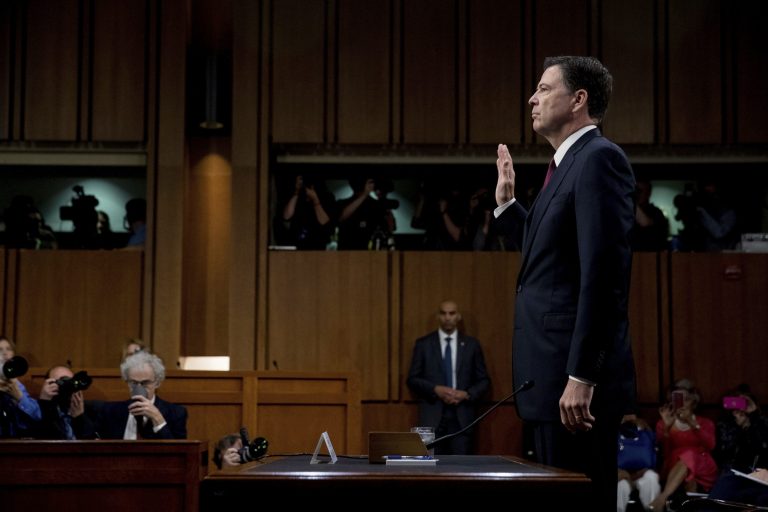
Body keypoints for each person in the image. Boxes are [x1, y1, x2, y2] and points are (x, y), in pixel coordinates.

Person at [493, 56, 636, 510]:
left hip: (573, 386)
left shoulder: (599, 160)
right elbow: (550, 262)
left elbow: (604, 274)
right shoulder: (565, 165)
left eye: (544, 88)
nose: (532, 99)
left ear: (579, 100)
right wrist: (509, 208)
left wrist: (583, 375)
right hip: (546, 378)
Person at [406, 300, 490, 455]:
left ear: (458, 316)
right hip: (432, 417)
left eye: (451, 313)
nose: (447, 317)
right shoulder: (423, 344)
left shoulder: (472, 345)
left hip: (462, 419)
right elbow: (412, 379)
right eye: (444, 313)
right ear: (438, 316)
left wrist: (466, 394)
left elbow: (484, 381)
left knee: (462, 469)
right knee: (430, 470)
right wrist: (435, 389)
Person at [649, 379, 718, 511]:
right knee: (686, 460)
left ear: (694, 402)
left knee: (690, 454)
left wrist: (692, 424)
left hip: (703, 467)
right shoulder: (663, 423)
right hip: (673, 465)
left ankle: (662, 499)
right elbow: (664, 453)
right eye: (678, 399)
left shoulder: (705, 422)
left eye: (686, 399)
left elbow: (711, 446)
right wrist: (667, 429)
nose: (683, 403)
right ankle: (668, 500)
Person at [88, 350, 187, 439]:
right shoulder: (110, 411)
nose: (139, 388)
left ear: (157, 383)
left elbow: (179, 453)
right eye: (134, 383)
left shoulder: (176, 413)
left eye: (145, 383)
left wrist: (157, 419)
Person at [713, 384, 768, 475]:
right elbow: (724, 453)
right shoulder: (726, 424)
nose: (740, 411)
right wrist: (739, 426)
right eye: (737, 403)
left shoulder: (761, 423)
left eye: (745, 404)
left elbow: (763, 446)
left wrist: (753, 416)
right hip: (732, 471)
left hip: (758, 473)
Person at [274, 174, 337, 250]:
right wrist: (296, 192)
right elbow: (286, 216)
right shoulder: (298, 197)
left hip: (318, 246)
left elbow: (326, 223)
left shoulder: (327, 197)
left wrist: (315, 199)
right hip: (297, 246)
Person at [34, 364, 95, 440]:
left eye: (70, 381)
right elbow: (48, 441)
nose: (66, 385)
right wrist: (45, 403)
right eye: (62, 381)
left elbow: (92, 444)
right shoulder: (38, 409)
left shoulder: (89, 409)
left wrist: (79, 418)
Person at [617, 414, 661, 512]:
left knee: (651, 478)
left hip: (643, 473)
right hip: (621, 475)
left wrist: (647, 428)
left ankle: (652, 510)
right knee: (621, 486)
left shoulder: (644, 431)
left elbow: (654, 453)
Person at [0, 335, 42, 437]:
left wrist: (19, 397)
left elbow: (37, 416)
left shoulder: (17, 384)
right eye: (0, 349)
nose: (5, 353)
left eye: (8, 349)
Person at [631, 179, 669, 252]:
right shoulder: (630, 211)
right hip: (633, 256)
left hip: (650, 256)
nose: (637, 194)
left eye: (639, 191)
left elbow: (645, 223)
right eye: (635, 191)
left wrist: (632, 200)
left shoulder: (656, 212)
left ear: (648, 193)